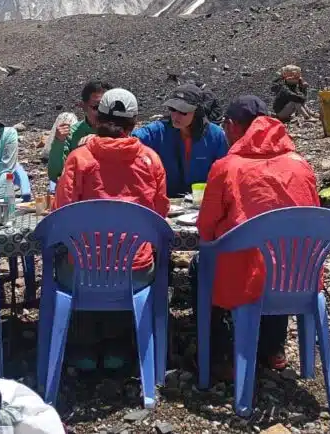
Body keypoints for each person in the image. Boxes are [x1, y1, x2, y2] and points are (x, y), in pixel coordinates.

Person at [194, 95, 320, 373]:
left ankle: (219, 352)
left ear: (232, 126)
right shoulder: (300, 164)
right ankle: (272, 348)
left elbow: (205, 230)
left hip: (244, 280)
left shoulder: (226, 167)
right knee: (280, 259)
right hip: (299, 279)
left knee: (202, 266)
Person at [53, 88, 169, 370]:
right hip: (135, 271)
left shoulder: (79, 158)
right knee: (135, 266)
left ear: (98, 119)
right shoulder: (150, 159)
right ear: (133, 123)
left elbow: (62, 215)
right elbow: (160, 213)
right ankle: (119, 346)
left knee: (71, 261)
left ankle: (84, 348)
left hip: (83, 270)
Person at [134, 84, 228, 198]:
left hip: (201, 203)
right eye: (173, 109)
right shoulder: (158, 131)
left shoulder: (215, 135)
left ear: (197, 111)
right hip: (167, 203)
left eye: (183, 111)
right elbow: (129, 142)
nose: (176, 116)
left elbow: (224, 174)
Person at [46, 81, 111, 186]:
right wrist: (59, 142)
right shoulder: (72, 134)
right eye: (97, 107)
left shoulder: (121, 131)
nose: (102, 113)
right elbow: (55, 174)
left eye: (107, 107)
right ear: (83, 106)